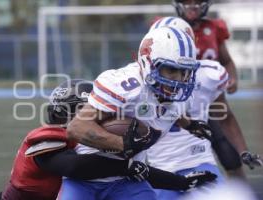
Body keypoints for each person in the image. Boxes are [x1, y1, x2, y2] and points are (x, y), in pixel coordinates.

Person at [59, 26, 218, 200]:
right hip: (86, 175)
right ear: (148, 62)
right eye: (171, 70)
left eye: (184, 71)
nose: (179, 80)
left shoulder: (179, 97)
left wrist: (190, 124)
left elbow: (166, 110)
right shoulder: (127, 87)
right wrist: (121, 143)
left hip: (127, 178)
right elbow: (76, 127)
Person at [0, 79, 154, 200]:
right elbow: (74, 167)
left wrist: (178, 182)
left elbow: (138, 172)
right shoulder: (46, 141)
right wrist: (125, 166)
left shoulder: (84, 144)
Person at [152, 12, 262, 179]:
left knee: (227, 158)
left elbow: (224, 116)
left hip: (197, 158)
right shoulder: (138, 77)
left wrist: (243, 151)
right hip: (156, 161)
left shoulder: (208, 74)